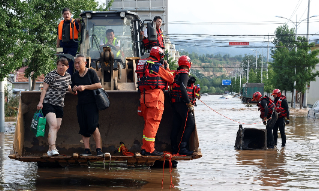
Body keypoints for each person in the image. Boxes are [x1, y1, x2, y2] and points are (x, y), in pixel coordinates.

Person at [135, 46, 174, 156]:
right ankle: (149, 150)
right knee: (152, 124)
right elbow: (170, 79)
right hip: (155, 98)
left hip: (144, 97)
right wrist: (167, 67)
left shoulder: (144, 64)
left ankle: (145, 148)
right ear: (160, 55)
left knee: (148, 124)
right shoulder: (157, 66)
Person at [37, 57, 72, 156]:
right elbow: (44, 89)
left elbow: (68, 86)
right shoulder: (51, 75)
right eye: (59, 65)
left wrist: (73, 91)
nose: (60, 67)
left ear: (67, 67)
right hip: (48, 103)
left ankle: (49, 150)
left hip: (59, 104)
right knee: (53, 125)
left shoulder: (68, 76)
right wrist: (40, 102)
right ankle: (53, 148)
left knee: (57, 126)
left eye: (63, 65)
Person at [71, 54, 103, 156]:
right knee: (83, 127)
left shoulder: (91, 72)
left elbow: (98, 85)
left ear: (85, 63)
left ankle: (98, 149)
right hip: (81, 104)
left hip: (92, 103)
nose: (76, 65)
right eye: (75, 63)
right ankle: (87, 149)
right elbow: (72, 89)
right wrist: (74, 89)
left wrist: (85, 87)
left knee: (93, 126)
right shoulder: (74, 76)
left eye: (78, 63)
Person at [170, 55, 195, 156]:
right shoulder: (184, 74)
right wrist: (189, 102)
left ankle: (174, 147)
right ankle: (183, 148)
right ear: (188, 63)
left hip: (175, 103)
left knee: (177, 124)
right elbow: (183, 88)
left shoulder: (176, 73)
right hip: (182, 103)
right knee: (190, 124)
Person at [56, 7, 81, 76]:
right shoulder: (60, 24)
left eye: (68, 14)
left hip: (72, 45)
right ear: (62, 15)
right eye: (65, 14)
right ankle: (61, 76)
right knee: (61, 61)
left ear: (70, 14)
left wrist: (79, 23)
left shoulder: (75, 22)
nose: (66, 15)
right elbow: (58, 37)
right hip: (63, 45)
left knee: (69, 61)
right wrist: (57, 49)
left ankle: (69, 77)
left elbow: (79, 30)